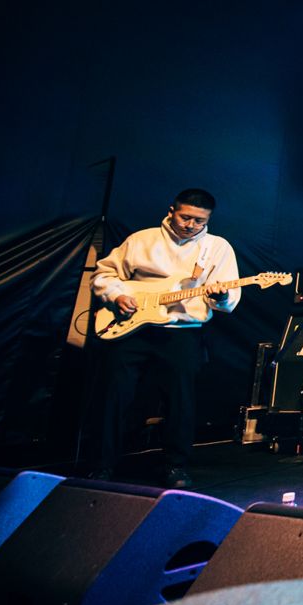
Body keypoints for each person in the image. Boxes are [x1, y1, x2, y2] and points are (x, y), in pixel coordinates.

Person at [91, 188, 241, 488]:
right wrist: (117, 295)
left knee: (180, 400)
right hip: (131, 327)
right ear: (172, 210)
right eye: (186, 218)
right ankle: (101, 464)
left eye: (200, 221)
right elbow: (103, 274)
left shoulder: (217, 248)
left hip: (182, 332)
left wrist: (221, 295)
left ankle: (175, 465)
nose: (191, 225)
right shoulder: (141, 240)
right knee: (114, 395)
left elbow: (228, 300)